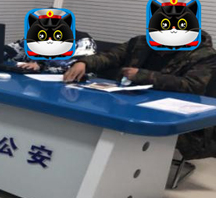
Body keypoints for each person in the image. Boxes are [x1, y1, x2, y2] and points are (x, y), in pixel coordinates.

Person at [64, 30, 216, 159]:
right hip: (129, 102)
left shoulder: (203, 54)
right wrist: (84, 63)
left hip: (171, 114)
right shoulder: (140, 43)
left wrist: (142, 75)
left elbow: (192, 85)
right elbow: (110, 56)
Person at [5, 30, 97, 74]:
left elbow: (73, 67)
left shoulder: (83, 42)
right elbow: (16, 49)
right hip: (35, 84)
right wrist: (0, 50)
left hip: (71, 90)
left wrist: (40, 66)